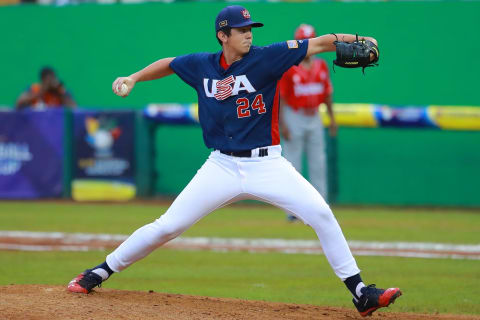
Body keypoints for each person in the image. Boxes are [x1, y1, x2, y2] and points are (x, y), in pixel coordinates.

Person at [66, 5, 401, 317]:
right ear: (222, 36)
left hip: (267, 164)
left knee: (321, 214)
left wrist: (358, 40)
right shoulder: (202, 65)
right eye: (240, 30)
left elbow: (318, 44)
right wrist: (135, 77)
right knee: (168, 226)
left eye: (250, 28)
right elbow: (170, 63)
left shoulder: (268, 58)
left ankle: (360, 293)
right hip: (221, 166)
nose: (248, 34)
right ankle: (99, 271)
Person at [279, 24, 336, 222]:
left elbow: (327, 93)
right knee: (292, 163)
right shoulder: (289, 66)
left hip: (314, 116)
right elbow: (282, 98)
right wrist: (282, 124)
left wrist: (332, 118)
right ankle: (293, 210)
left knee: (318, 162)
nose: (306, 44)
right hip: (294, 115)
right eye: (303, 40)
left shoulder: (321, 65)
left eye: (310, 39)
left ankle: (321, 207)